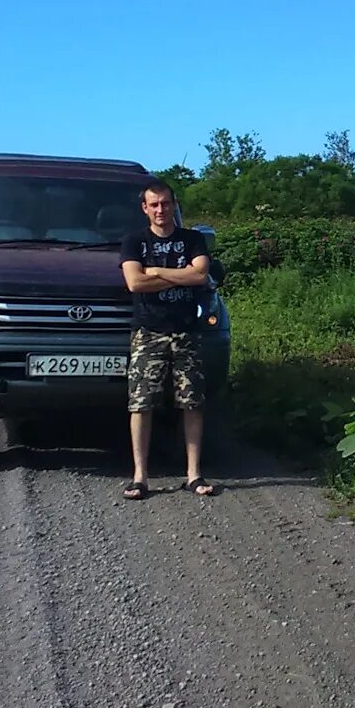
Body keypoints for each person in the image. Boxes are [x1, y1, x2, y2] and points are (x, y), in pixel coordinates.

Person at [118, 180, 216, 499]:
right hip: (148, 332)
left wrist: (156, 272)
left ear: (174, 205)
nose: (161, 209)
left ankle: (193, 475)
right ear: (145, 208)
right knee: (141, 403)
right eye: (154, 204)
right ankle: (140, 477)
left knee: (192, 403)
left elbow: (200, 275)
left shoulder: (192, 239)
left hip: (187, 331)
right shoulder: (134, 241)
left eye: (165, 203)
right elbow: (134, 282)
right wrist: (179, 275)